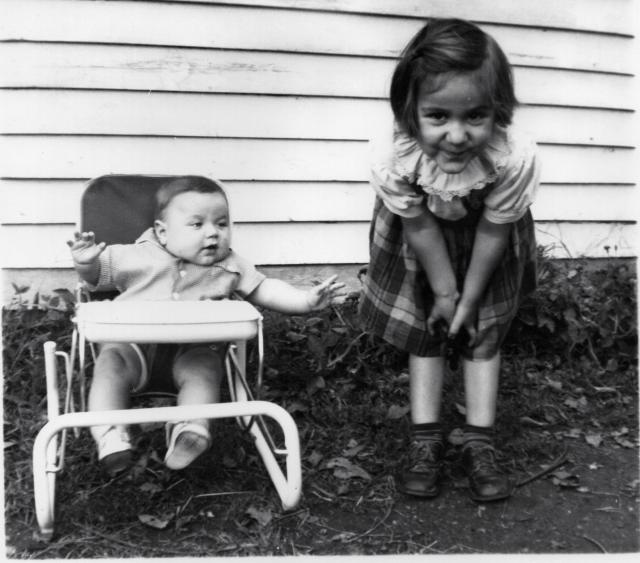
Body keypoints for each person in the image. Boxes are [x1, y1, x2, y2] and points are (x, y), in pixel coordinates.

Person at [359, 18, 539, 501]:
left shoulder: (512, 157)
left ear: (498, 110)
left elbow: (494, 227)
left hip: (489, 241)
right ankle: (425, 437)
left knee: (481, 330)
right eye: (438, 116)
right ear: (409, 110)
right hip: (418, 239)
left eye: (474, 117)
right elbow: (416, 224)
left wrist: (469, 297)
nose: (457, 136)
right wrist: (443, 292)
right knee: (428, 329)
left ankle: (480, 441)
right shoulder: (394, 155)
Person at [68, 175, 345, 475]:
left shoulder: (229, 265)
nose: (213, 234)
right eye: (197, 225)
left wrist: (305, 300)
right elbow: (96, 277)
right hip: (134, 350)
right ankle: (110, 436)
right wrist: (86, 263)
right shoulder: (136, 256)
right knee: (111, 362)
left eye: (222, 224)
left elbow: (264, 289)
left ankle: (190, 430)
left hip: (191, 350)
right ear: (162, 232)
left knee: (204, 368)